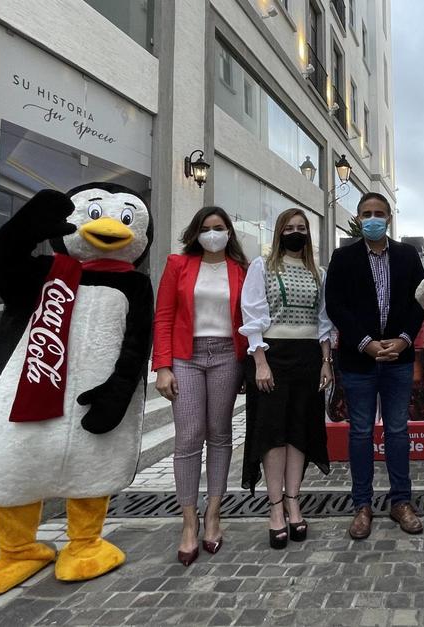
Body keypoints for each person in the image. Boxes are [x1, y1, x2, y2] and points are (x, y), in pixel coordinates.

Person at [325, 192, 424, 540]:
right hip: (359, 360)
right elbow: (336, 305)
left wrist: (403, 339)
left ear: (389, 219)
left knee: (398, 431)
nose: (373, 218)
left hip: (399, 358)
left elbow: (420, 301)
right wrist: (365, 343)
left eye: (379, 213)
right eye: (366, 213)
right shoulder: (343, 257)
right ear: (357, 218)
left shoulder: (407, 255)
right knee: (361, 432)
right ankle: (362, 505)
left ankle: (401, 502)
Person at [152, 206, 249, 565]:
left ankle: (214, 514)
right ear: (196, 232)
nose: (213, 233)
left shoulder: (241, 269)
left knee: (220, 433)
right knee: (189, 436)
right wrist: (162, 366)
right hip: (186, 356)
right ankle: (189, 521)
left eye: (220, 227)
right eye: (207, 228)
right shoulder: (178, 264)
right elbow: (163, 315)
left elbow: (249, 316)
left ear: (229, 232)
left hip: (227, 355)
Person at [239, 208, 334, 549]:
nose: (296, 232)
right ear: (279, 232)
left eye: (301, 228)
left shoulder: (317, 272)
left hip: (308, 357)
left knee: (299, 431)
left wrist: (326, 361)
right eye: (290, 227)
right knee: (273, 433)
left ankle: (294, 500)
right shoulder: (262, 267)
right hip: (272, 355)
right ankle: (275, 506)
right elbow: (252, 313)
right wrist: (260, 361)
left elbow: (323, 320)